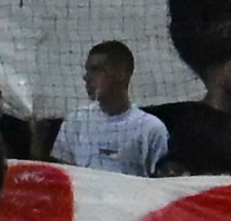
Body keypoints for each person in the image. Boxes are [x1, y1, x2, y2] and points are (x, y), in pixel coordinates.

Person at [50, 39, 173, 177]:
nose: (86, 78)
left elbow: (162, 184)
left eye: (95, 70)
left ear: (120, 73)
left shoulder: (150, 128)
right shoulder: (75, 121)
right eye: (87, 70)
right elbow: (63, 176)